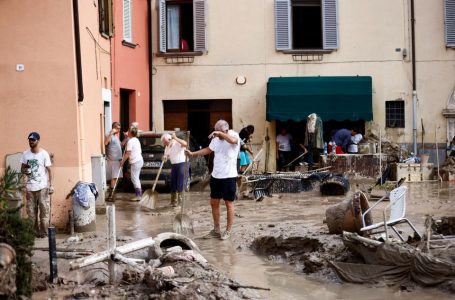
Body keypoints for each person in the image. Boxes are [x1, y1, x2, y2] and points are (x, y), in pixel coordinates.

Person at [185, 120, 240, 240]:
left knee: (228, 203)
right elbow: (208, 150)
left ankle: (228, 231)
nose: (216, 136)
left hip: (229, 176)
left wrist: (221, 134)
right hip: (216, 176)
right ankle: (216, 229)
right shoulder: (215, 139)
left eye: (218, 133)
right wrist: (192, 154)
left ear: (225, 131)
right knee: (214, 203)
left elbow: (232, 141)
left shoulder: (234, 135)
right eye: (215, 133)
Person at [20, 132, 53, 238]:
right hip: (30, 188)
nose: (31, 142)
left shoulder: (44, 154)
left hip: (42, 187)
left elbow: (49, 170)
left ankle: (44, 233)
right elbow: (23, 170)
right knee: (31, 213)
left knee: (44, 212)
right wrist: (25, 171)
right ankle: (34, 233)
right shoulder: (25, 154)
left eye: (33, 140)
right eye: (30, 140)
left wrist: (50, 185)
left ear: (38, 141)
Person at [162, 132, 188, 207]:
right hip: (174, 165)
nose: (164, 144)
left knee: (180, 183)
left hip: (182, 164)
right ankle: (173, 201)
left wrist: (176, 138)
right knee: (173, 182)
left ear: (169, 139)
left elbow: (185, 144)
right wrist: (164, 158)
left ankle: (180, 200)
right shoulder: (167, 147)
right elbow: (165, 157)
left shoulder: (176, 143)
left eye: (165, 142)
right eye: (164, 142)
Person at [121, 126, 143, 201]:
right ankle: (139, 195)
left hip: (135, 162)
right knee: (136, 178)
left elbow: (128, 153)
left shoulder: (130, 141)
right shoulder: (136, 139)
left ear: (130, 132)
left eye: (128, 131)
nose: (127, 131)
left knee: (134, 179)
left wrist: (122, 161)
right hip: (139, 160)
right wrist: (127, 137)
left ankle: (138, 196)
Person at [105, 122, 123, 196]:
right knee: (114, 177)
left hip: (118, 160)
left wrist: (126, 138)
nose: (118, 130)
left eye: (119, 129)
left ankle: (112, 191)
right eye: (117, 128)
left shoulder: (116, 136)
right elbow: (106, 143)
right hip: (113, 160)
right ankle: (111, 194)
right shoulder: (109, 135)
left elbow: (121, 145)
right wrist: (111, 133)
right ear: (113, 127)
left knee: (117, 177)